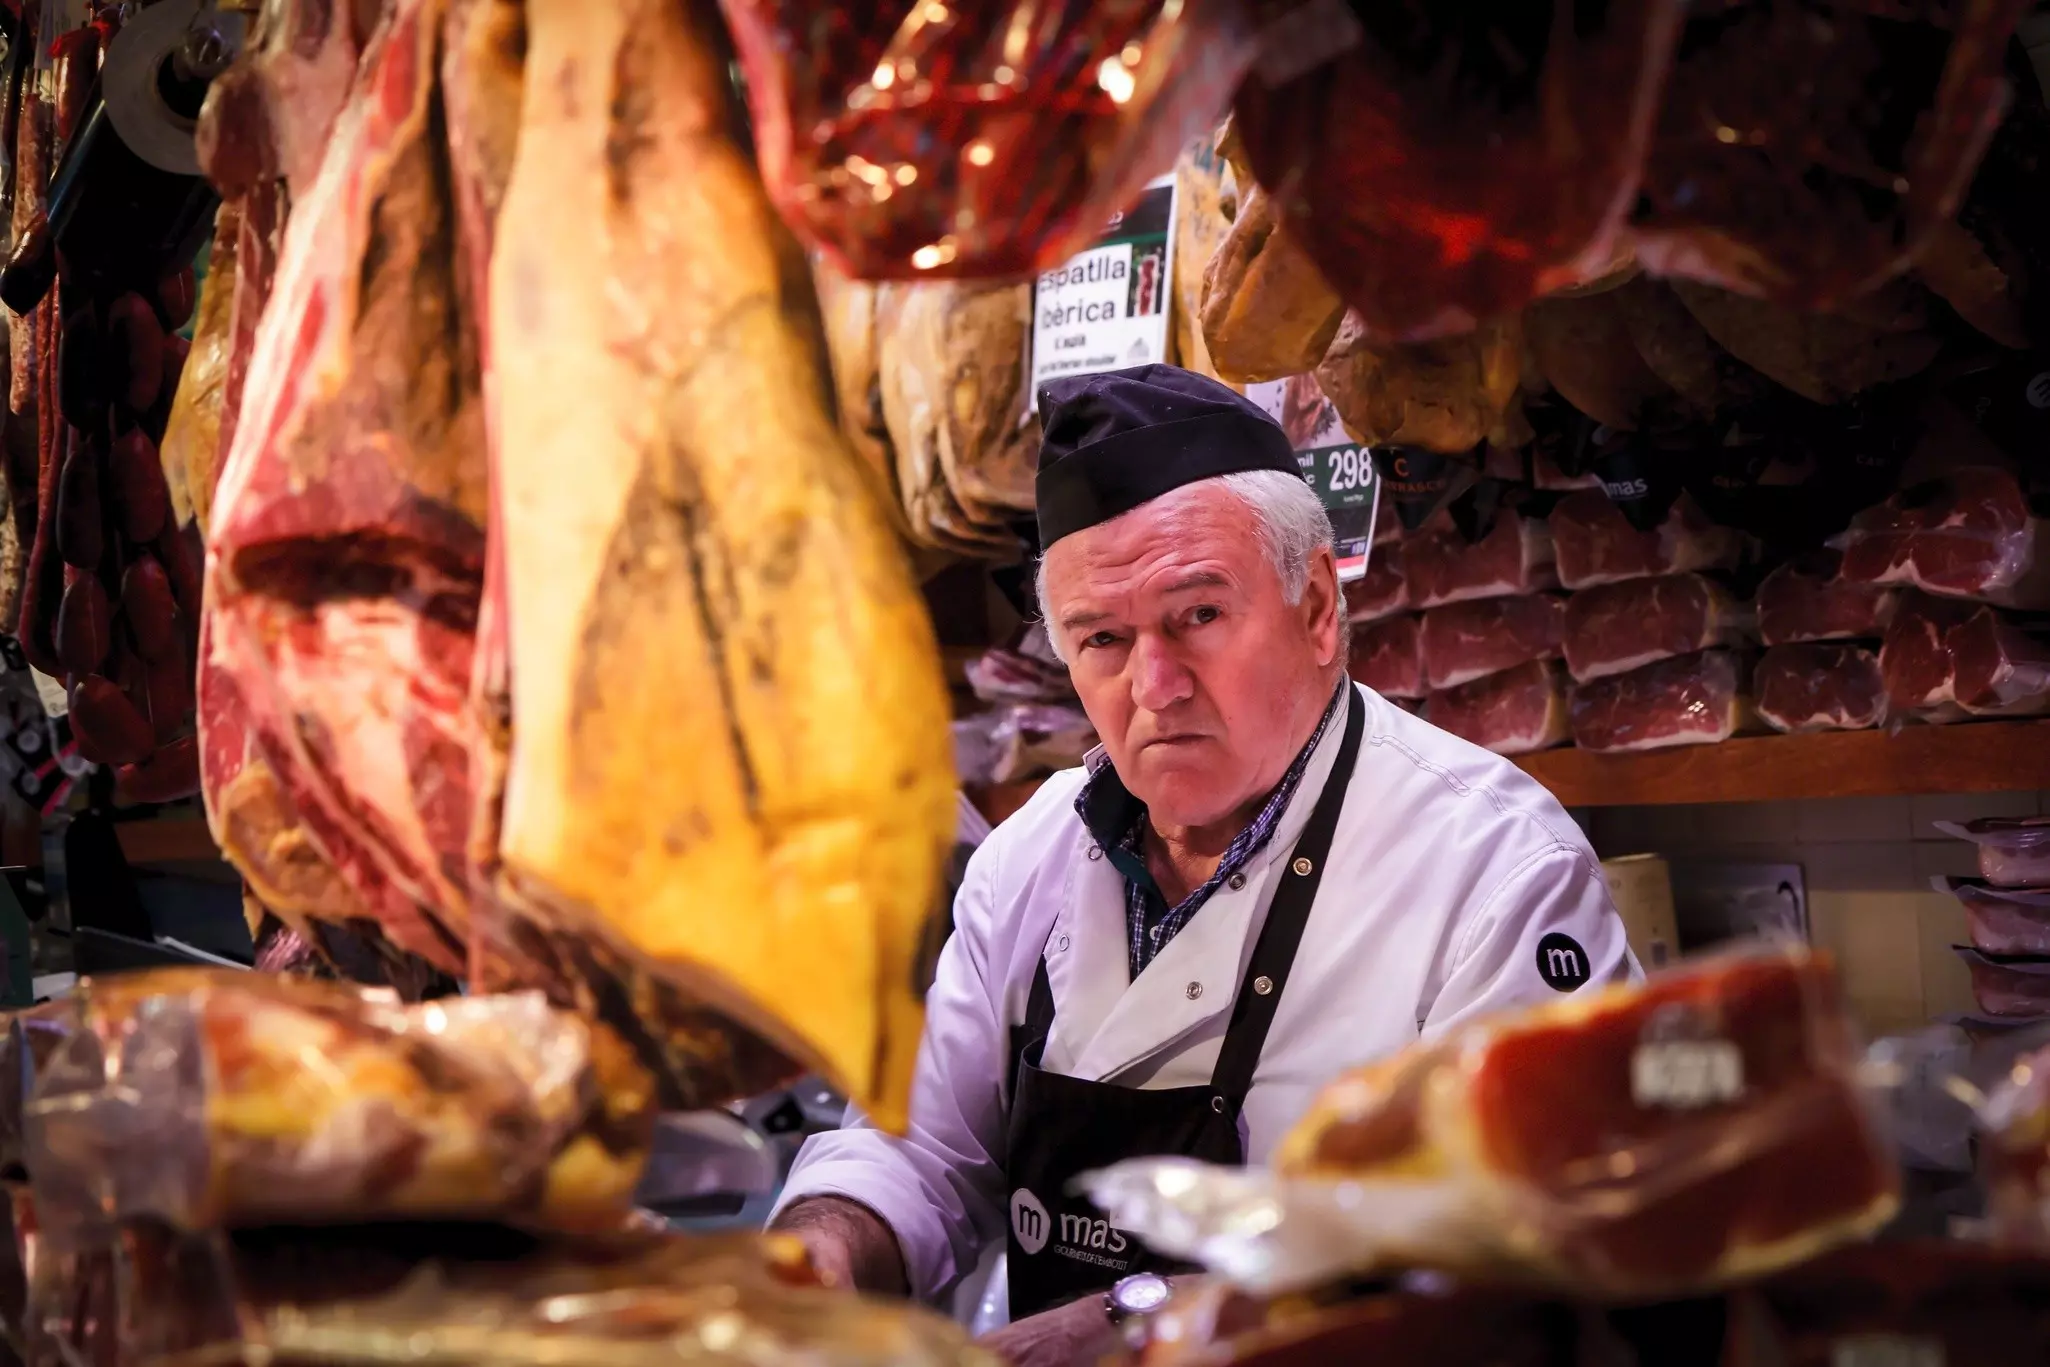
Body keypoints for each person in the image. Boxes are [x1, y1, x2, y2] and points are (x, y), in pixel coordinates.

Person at [769, 365, 1637, 1365]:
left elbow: (1527, 1262)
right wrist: (825, 1244)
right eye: (1101, 638)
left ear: (1315, 607)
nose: (1154, 685)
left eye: (1198, 616)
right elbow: (919, 1150)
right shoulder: (1028, 855)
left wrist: (1139, 1314)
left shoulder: (1493, 868)